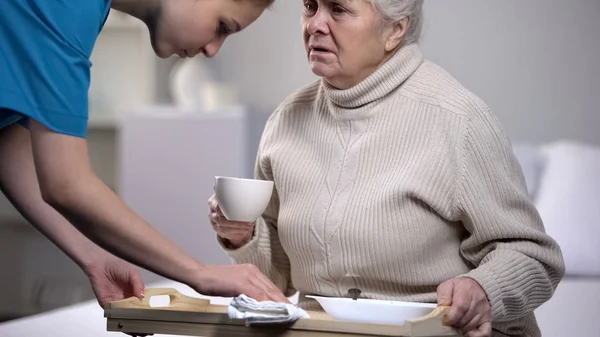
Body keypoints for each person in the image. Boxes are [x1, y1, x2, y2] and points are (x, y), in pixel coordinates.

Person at [207, 0, 566, 336]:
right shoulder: (285, 121)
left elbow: (534, 256)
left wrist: (483, 288)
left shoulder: (459, 120)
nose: (315, 25)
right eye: (310, 6)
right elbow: (278, 279)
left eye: (339, 9)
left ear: (395, 30)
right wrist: (243, 235)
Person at [0, 0, 289, 309]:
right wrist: (199, 273)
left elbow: (9, 145)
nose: (213, 49)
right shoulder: (70, 7)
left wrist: (95, 255)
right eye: (222, 27)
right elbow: (67, 183)